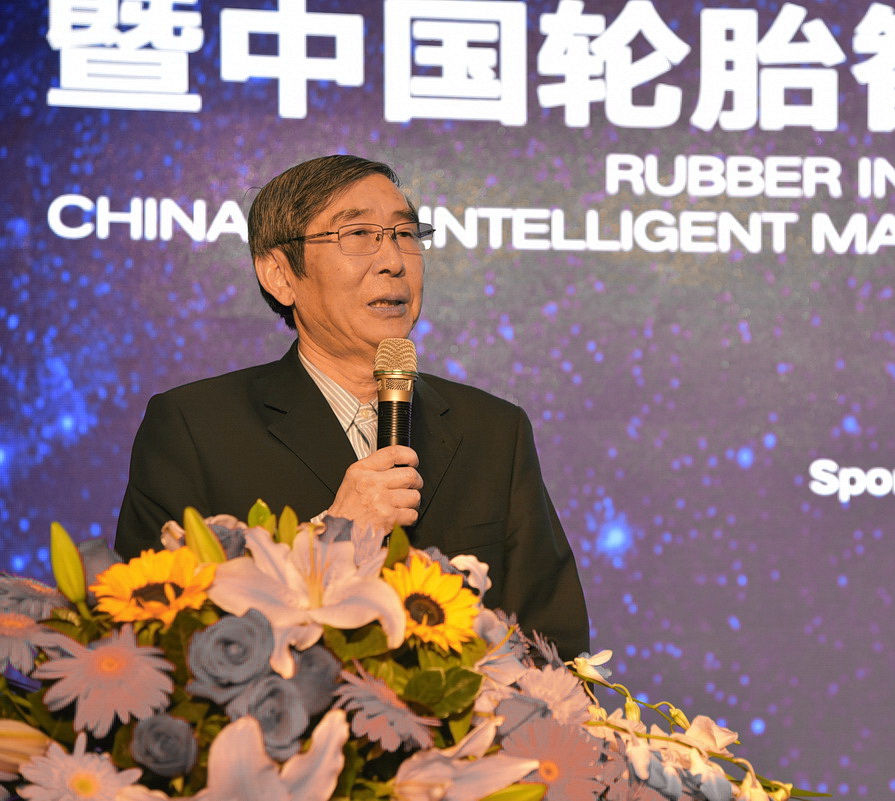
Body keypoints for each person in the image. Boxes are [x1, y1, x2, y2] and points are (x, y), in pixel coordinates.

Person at [114, 154, 589, 658]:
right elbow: (156, 643)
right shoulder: (195, 428)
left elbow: (554, 648)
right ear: (280, 275)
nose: (394, 261)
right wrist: (336, 534)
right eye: (358, 234)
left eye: (405, 234)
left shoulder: (493, 431)